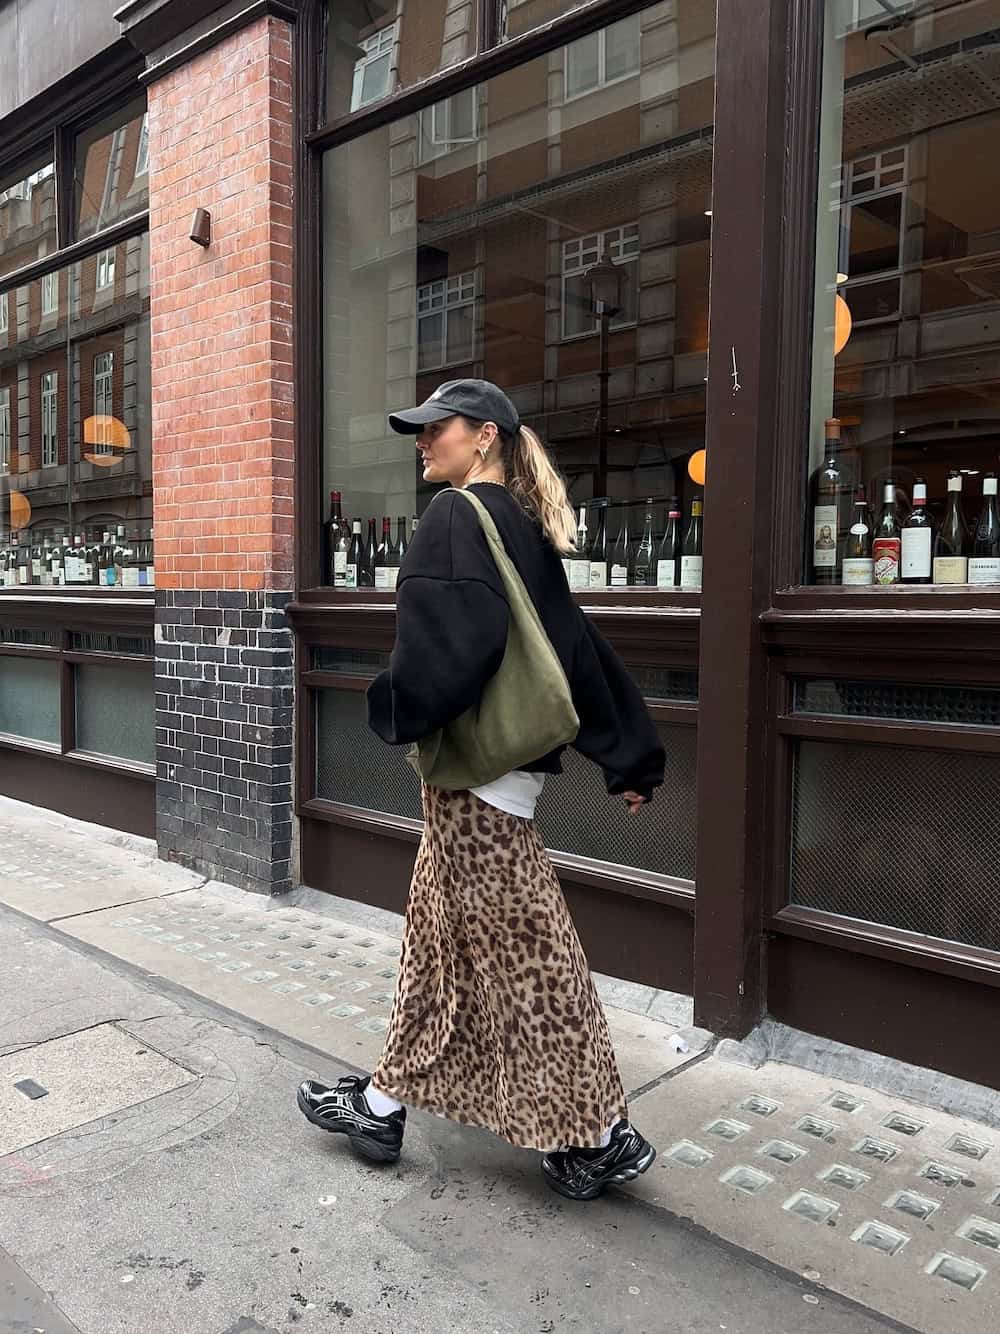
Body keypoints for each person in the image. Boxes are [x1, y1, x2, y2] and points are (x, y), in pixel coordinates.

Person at [298, 379, 666, 1202]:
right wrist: (629, 754)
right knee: (438, 949)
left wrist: (391, 703)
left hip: (476, 782)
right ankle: (382, 1105)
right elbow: (577, 646)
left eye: (438, 428)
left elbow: (449, 647)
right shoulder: (522, 527)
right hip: (504, 776)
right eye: (419, 431)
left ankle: (600, 1136)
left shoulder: (456, 519)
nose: (423, 442)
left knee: (534, 962)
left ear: (487, 437)